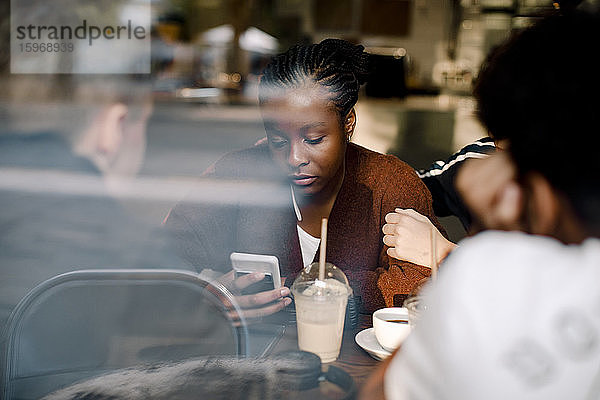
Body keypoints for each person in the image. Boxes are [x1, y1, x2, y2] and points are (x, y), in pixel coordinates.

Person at [361, 7, 600, 399]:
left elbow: (381, 392)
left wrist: (451, 252)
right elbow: (411, 186)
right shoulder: (479, 166)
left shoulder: (485, 278)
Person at [165, 38, 445, 315]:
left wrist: (308, 287)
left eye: (314, 139)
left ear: (348, 123)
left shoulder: (391, 184)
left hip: (358, 360)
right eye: (278, 141)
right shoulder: (238, 175)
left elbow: (421, 284)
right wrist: (207, 292)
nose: (294, 159)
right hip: (251, 353)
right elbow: (164, 255)